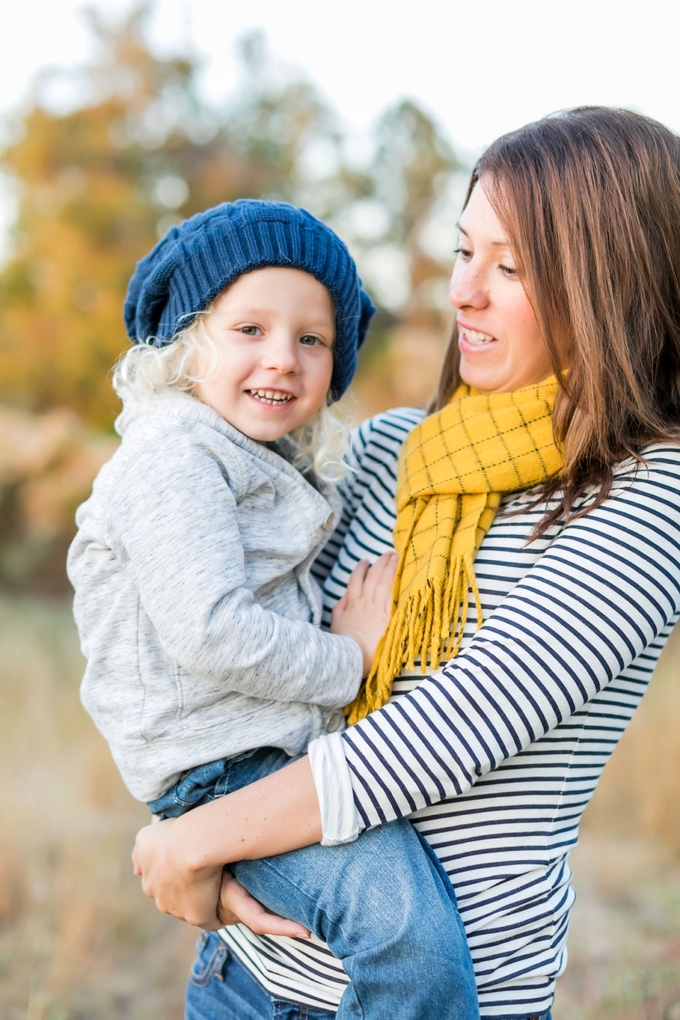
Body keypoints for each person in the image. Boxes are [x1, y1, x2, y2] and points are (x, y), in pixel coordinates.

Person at [133, 107, 680, 1020]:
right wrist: (188, 826)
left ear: (609, 286)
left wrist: (189, 842)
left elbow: (437, 740)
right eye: (465, 252)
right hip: (250, 977)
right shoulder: (388, 451)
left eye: (510, 267)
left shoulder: (646, 494)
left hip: (448, 994)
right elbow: (222, 653)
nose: (463, 291)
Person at [67, 199, 479, 1020]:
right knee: (413, 945)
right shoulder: (174, 455)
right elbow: (210, 629)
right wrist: (350, 660)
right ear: (188, 342)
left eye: (311, 339)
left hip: (258, 762)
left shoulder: (248, 456)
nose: (282, 359)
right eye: (248, 329)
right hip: (225, 774)